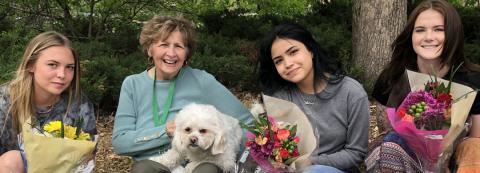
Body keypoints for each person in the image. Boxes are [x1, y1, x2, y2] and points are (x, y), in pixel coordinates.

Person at [111, 15, 252, 173]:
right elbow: (120, 142)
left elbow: (248, 124)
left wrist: (237, 158)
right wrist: (165, 132)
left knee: (207, 170)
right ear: (150, 49)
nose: (171, 53)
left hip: (195, 165)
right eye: (164, 44)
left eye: (178, 46)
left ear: (187, 52)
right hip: (153, 166)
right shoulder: (132, 84)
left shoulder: (202, 81)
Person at [365, 0, 480, 172]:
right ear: (411, 35)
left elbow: (476, 139)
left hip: (454, 163)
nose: (428, 37)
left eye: (439, 29)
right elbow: (381, 128)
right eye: (420, 30)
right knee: (390, 144)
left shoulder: (473, 80)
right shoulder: (393, 77)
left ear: (453, 33)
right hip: (401, 159)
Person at [257, 23, 370, 172]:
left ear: (311, 50)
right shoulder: (280, 98)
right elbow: (276, 149)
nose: (288, 64)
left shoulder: (351, 93)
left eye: (293, 52)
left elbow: (355, 153)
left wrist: (310, 162)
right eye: (279, 61)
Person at [0, 31, 96, 172]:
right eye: (53, 65)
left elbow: (88, 157)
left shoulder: (79, 104)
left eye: (69, 67)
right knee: (13, 159)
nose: (62, 75)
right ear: (31, 65)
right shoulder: (4, 101)